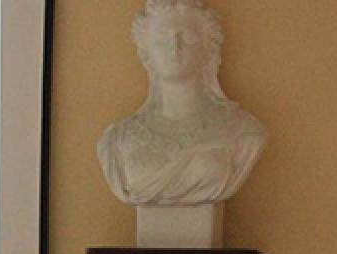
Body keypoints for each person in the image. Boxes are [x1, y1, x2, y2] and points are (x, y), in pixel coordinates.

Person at [98, 0, 267, 207]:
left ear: (208, 48)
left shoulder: (242, 131)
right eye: (162, 39)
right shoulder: (117, 140)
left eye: (187, 37)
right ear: (146, 52)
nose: (174, 47)